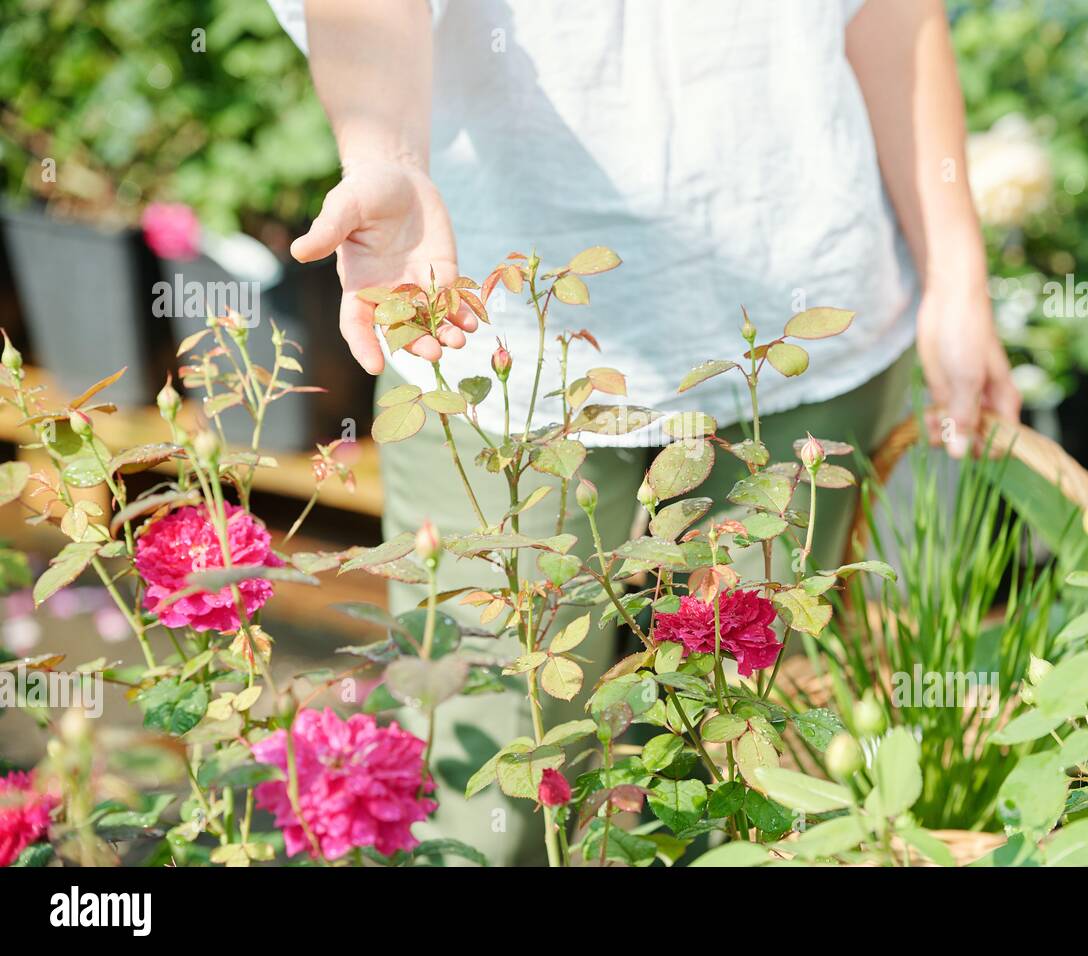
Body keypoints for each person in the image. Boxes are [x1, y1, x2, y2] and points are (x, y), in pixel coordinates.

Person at [268, 0, 1020, 864]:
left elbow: (892, 13)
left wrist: (957, 274)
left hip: (798, 319)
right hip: (485, 330)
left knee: (755, 787)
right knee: (484, 797)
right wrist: (386, 160)